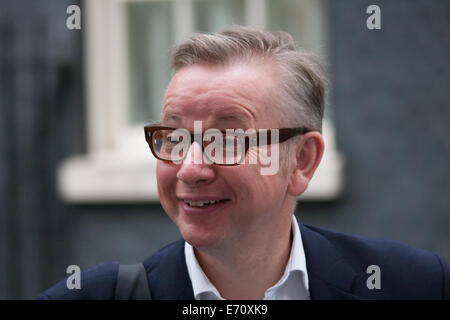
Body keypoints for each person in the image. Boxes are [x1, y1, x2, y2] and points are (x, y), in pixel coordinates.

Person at [38, 26, 449, 300]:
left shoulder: (414, 285)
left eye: (229, 140)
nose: (191, 169)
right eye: (175, 137)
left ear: (302, 161)